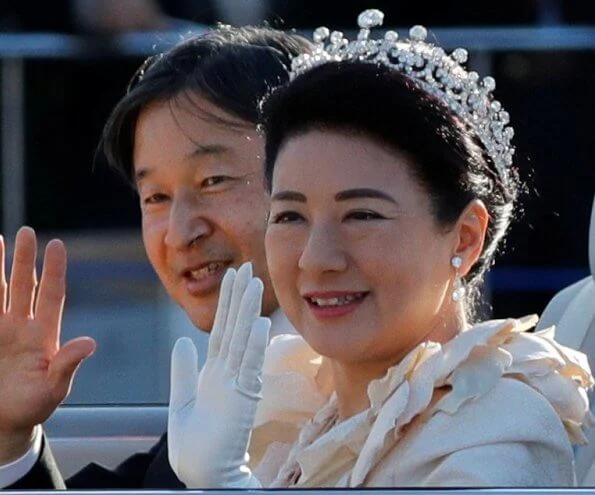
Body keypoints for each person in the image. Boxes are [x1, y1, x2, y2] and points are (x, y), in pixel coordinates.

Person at [167, 9, 594, 488]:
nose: (316, 258)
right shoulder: (287, 409)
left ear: (465, 236)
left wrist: (228, 487)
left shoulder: (501, 435)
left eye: (362, 215)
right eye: (290, 216)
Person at [0, 25, 311, 488]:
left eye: (213, 181)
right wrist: (11, 440)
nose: (181, 233)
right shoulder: (228, 392)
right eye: (155, 197)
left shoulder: (390, 395)